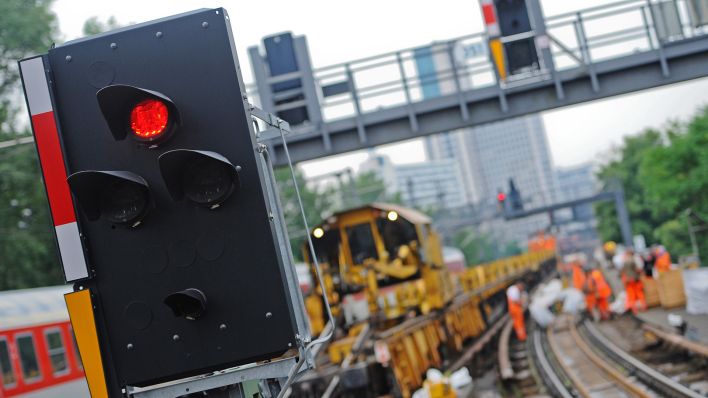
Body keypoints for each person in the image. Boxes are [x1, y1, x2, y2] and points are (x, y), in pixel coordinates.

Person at [620, 249, 646, 314]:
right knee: (639, 293)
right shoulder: (633, 260)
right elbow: (637, 269)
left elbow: (622, 272)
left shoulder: (624, 261)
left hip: (628, 281)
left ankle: (634, 310)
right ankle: (643, 307)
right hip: (635, 279)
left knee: (631, 295)